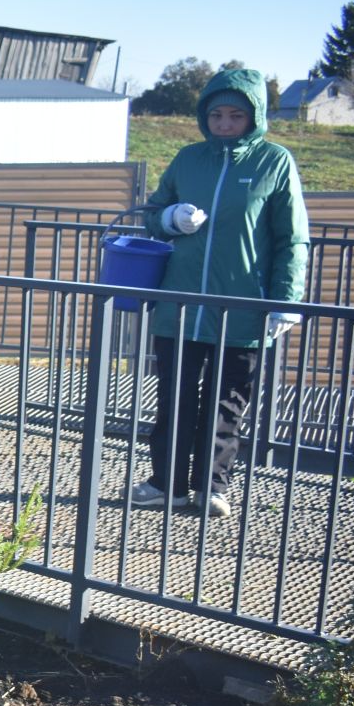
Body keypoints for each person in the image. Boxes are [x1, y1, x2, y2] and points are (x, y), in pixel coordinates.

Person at [131, 68, 308, 520]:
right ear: (204, 116)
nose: (225, 124)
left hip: (244, 308)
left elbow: (293, 238)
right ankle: (165, 484)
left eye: (235, 116)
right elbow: (151, 214)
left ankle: (211, 487)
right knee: (176, 397)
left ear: (254, 118)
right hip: (182, 304)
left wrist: (286, 299)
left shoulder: (275, 161)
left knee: (227, 403)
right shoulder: (189, 159)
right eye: (216, 115)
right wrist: (170, 218)